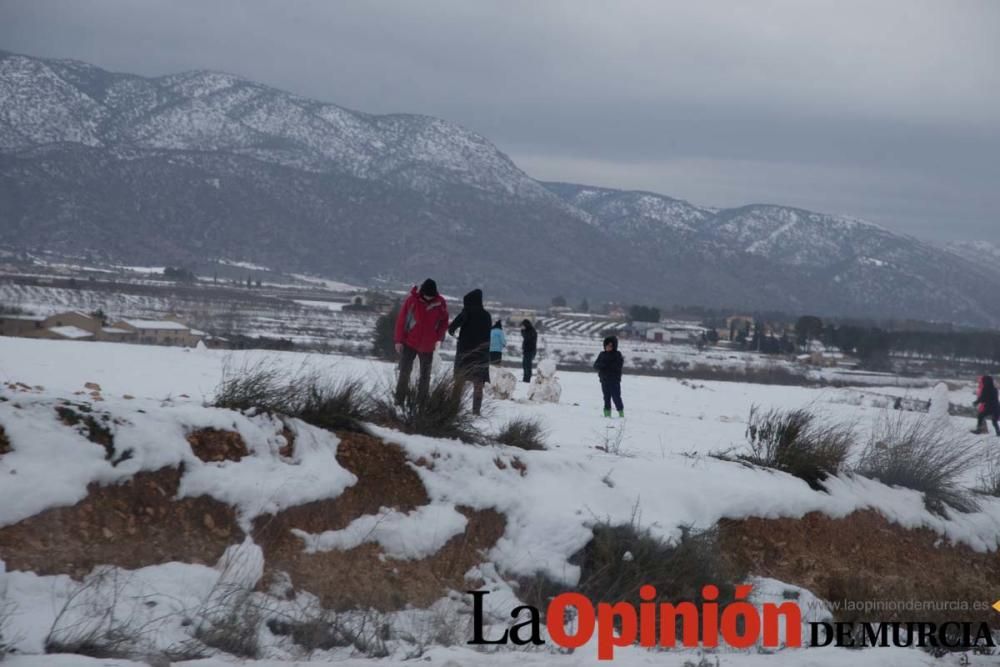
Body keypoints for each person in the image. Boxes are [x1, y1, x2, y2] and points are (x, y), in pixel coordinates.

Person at [393, 279, 449, 406]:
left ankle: (422, 402)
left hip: (428, 345)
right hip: (409, 342)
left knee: (425, 375)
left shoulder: (440, 303)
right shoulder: (412, 301)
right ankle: (399, 399)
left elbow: (444, 322)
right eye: (426, 295)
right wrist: (398, 340)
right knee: (404, 371)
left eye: (431, 296)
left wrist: (438, 337)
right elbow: (401, 321)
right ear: (422, 292)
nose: (428, 298)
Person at [448, 289, 492, 415]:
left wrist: (456, 335)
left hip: (465, 354)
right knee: (478, 384)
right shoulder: (487, 315)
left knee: (459, 382)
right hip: (481, 355)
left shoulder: (466, 312)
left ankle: (453, 408)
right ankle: (476, 411)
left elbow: (452, 328)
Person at [593, 335, 624, 418]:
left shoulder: (617, 355)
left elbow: (616, 367)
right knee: (606, 398)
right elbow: (595, 365)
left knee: (616, 397)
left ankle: (621, 413)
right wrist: (602, 366)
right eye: (606, 345)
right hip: (604, 380)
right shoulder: (602, 354)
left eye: (610, 345)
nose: (608, 347)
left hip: (614, 381)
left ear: (614, 346)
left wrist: (605, 366)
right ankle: (607, 415)